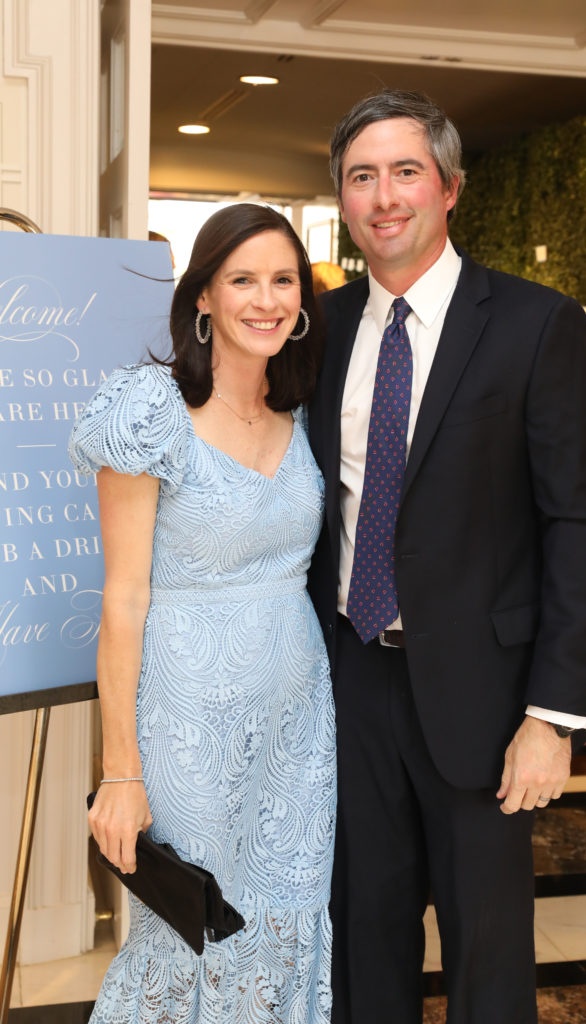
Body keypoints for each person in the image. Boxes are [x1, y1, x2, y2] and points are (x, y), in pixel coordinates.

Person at [307, 90, 586, 1024]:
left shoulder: (535, 324)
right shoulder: (317, 331)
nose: (384, 195)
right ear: (343, 201)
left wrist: (551, 716)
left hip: (486, 699)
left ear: (450, 189)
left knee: (486, 955)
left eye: (406, 171)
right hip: (349, 680)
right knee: (364, 935)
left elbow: (578, 524)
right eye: (362, 176)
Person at [69, 204, 336, 1023]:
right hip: (185, 726)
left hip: (298, 727)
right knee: (190, 930)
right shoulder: (149, 409)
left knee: (286, 923)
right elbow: (122, 598)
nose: (266, 299)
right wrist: (121, 772)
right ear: (204, 299)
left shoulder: (304, 411)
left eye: (283, 279)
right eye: (242, 280)